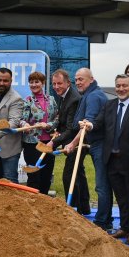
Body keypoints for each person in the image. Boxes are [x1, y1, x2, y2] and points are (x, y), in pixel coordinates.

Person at [99, 74, 129, 242]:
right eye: (118, 86)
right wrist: (89, 125)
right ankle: (124, 226)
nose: (121, 89)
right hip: (112, 159)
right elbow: (99, 123)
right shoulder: (109, 105)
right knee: (121, 196)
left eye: (125, 85)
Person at [63, 68, 109, 228]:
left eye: (81, 79)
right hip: (94, 142)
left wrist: (72, 143)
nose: (78, 82)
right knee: (101, 183)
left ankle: (102, 222)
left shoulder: (94, 97)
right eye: (76, 79)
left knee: (102, 185)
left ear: (91, 79)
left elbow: (86, 125)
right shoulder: (89, 95)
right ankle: (103, 218)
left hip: (100, 144)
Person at [47, 70, 88, 213]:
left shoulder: (74, 99)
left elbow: (71, 128)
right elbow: (63, 120)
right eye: (54, 84)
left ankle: (72, 208)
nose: (56, 86)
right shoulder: (64, 96)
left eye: (59, 83)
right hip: (71, 139)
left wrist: (53, 142)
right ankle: (84, 208)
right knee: (79, 174)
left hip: (77, 141)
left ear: (68, 83)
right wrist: (55, 129)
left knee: (69, 175)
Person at [20, 71, 58, 194]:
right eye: (31, 82)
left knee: (46, 177)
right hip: (32, 144)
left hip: (49, 143)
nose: (34, 84)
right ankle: (33, 204)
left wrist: (48, 125)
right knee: (34, 176)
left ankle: (44, 204)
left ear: (42, 83)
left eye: (37, 82)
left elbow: (58, 118)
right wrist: (25, 124)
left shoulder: (51, 100)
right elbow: (21, 119)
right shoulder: (28, 101)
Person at [0, 68, 24, 183]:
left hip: (9, 149)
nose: (1, 83)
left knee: (10, 182)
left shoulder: (16, 99)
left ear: (11, 81)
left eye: (5, 81)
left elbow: (13, 123)